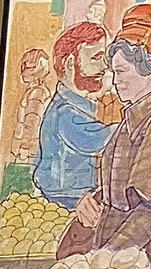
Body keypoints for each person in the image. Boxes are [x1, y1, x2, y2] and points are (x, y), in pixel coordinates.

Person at [56, 4, 151, 269]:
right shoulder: (133, 119)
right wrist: (94, 200)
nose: (114, 82)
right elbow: (126, 189)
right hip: (116, 262)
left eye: (121, 72)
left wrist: (104, 259)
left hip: (144, 266)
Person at [33, 21, 113, 210]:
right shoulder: (65, 112)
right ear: (70, 63)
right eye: (96, 58)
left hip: (76, 195)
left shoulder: (81, 107)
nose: (105, 66)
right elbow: (96, 139)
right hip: (64, 198)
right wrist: (137, 126)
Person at [10, 45, 53, 166]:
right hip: (31, 152)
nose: (22, 70)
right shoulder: (35, 91)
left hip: (29, 154)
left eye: (26, 66)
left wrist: (23, 150)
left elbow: (31, 123)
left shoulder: (37, 93)